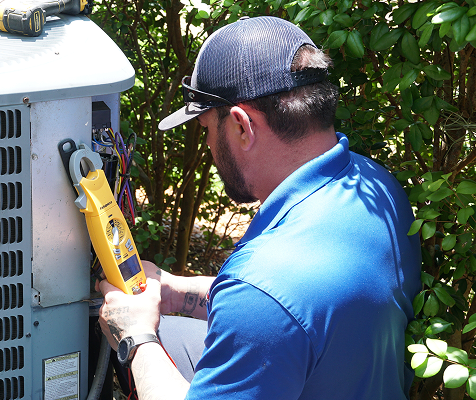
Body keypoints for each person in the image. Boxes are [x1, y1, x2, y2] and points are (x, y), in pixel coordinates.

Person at [97, 15, 421, 400]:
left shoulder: (264, 286)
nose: (208, 147)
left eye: (206, 130)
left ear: (240, 126)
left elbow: (272, 304)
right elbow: (298, 313)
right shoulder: (375, 185)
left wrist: (135, 336)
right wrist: (174, 291)